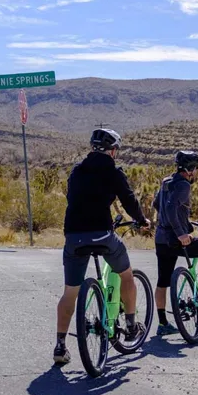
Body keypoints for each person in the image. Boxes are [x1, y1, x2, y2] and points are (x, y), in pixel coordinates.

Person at [54, 128, 150, 365]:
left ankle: (60, 345)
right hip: (102, 235)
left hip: (74, 236)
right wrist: (141, 219)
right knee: (126, 275)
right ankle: (129, 324)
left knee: (70, 292)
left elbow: (73, 199)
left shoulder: (77, 171)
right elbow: (129, 200)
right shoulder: (114, 171)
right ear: (113, 150)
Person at [152, 150, 198, 336]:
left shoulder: (166, 182)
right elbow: (170, 207)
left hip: (161, 239)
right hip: (176, 239)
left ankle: (162, 323)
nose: (197, 173)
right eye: (196, 169)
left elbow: (157, 204)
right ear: (190, 170)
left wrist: (183, 222)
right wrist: (180, 232)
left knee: (163, 281)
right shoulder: (184, 185)